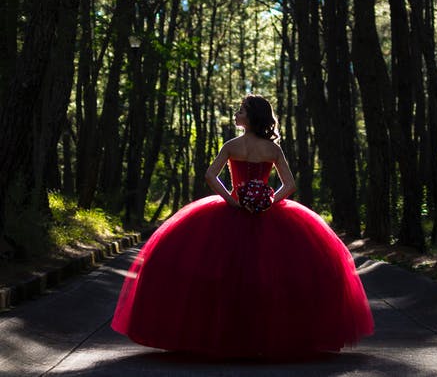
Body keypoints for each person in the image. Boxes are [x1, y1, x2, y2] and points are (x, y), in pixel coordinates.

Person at [111, 94, 374, 359]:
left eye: (242, 110)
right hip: (266, 212)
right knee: (275, 274)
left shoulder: (232, 145)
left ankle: (222, 337)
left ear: (251, 117)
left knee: (221, 272)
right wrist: (269, 201)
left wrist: (232, 200)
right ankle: (268, 337)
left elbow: (210, 175)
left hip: (232, 209)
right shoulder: (272, 149)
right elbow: (290, 185)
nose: (237, 113)